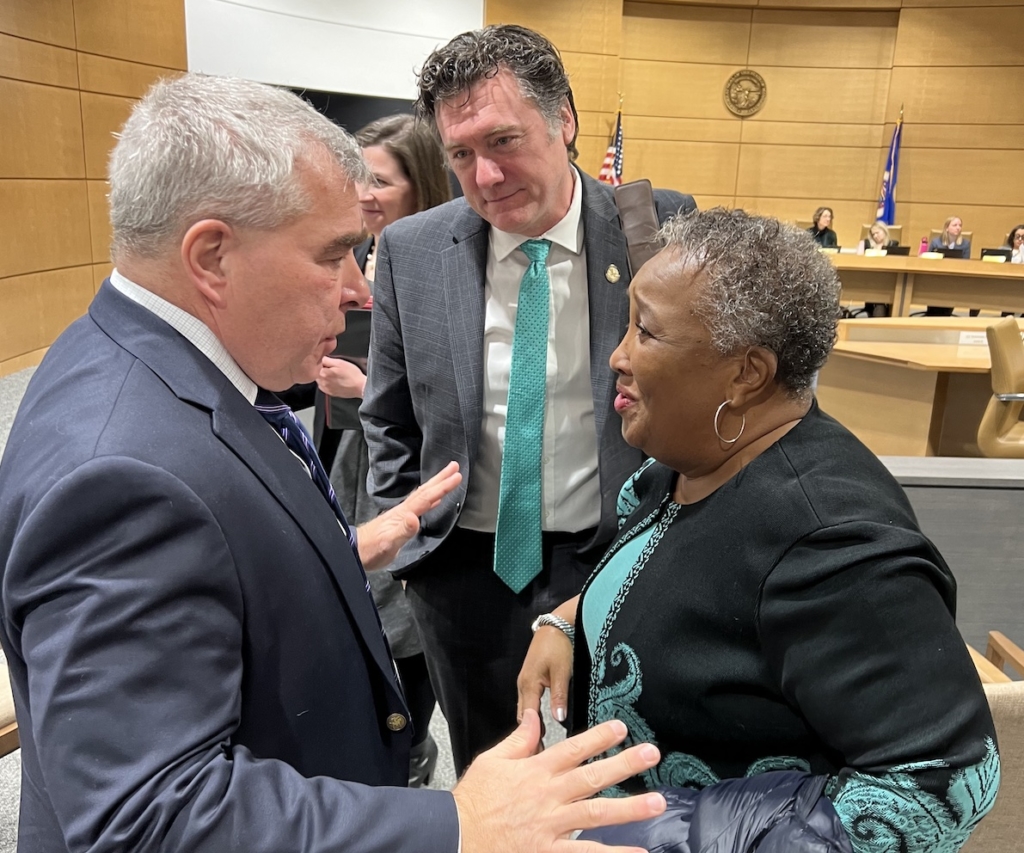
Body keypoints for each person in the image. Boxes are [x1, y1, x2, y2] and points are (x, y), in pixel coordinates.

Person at [0, 73, 671, 853]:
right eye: (333, 255)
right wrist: (456, 820)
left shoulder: (139, 360)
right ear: (212, 255)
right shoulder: (120, 479)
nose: (358, 290)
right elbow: (149, 818)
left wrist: (335, 551)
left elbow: (207, 565)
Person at [518, 208, 999, 853]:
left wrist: (686, 835)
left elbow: (942, 781)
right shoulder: (694, 460)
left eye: (647, 332)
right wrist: (568, 619)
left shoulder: (834, 546)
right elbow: (662, 567)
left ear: (747, 374)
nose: (618, 357)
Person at [360, 23, 696, 774]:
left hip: (609, 557)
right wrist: (413, 549)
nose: (483, 176)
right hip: (461, 572)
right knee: (489, 763)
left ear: (565, 120)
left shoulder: (658, 228)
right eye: (459, 154)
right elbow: (387, 416)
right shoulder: (412, 251)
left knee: (615, 759)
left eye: (503, 141)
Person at [317, 113, 452, 786]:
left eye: (380, 180)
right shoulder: (359, 250)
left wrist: (364, 384)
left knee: (403, 608)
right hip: (346, 452)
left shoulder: (434, 267)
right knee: (351, 591)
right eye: (359, 178)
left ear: (418, 183)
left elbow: (439, 395)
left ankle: (411, 743)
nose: (365, 193)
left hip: (405, 462)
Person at [861, 221, 898, 317]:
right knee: (879, 303)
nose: (875, 236)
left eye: (877, 233)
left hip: (887, 280)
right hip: (870, 279)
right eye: (873, 234)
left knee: (880, 303)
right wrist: (861, 244)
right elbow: (859, 259)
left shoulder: (893, 245)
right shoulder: (868, 245)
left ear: (884, 231)